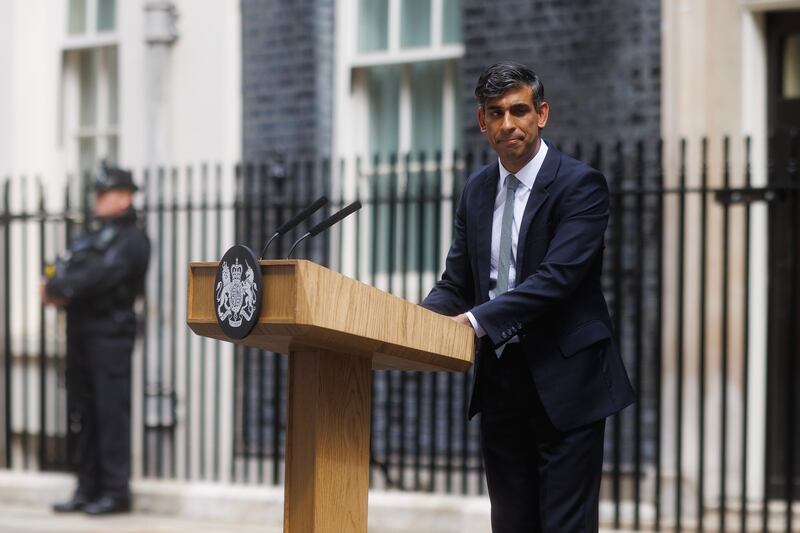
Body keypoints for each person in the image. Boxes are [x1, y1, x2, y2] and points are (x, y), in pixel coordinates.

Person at [421, 62, 635, 532]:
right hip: (501, 382)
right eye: (495, 113)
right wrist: (414, 322)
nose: (507, 124)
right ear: (482, 122)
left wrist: (474, 322)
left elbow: (556, 279)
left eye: (519, 110)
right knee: (511, 524)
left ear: (542, 114)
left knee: (563, 526)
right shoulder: (477, 190)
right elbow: (456, 282)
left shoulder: (581, 185)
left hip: (567, 382)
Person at [42, 162, 150, 515]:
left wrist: (62, 287)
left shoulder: (132, 240)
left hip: (110, 335)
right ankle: (86, 487)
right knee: (82, 413)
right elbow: (62, 270)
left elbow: (96, 278)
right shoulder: (92, 236)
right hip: (81, 333)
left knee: (109, 412)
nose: (97, 200)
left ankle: (115, 491)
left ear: (123, 197)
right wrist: (59, 284)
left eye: (103, 193)